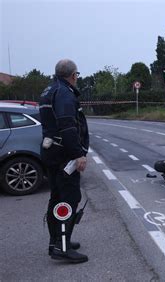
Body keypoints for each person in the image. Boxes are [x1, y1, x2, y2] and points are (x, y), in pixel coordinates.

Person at [39, 59, 89, 263]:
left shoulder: (49, 90)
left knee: (57, 197)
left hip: (51, 152)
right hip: (64, 155)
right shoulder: (65, 94)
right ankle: (62, 246)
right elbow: (68, 126)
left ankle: (57, 241)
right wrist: (78, 154)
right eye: (77, 74)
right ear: (73, 75)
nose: (77, 78)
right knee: (69, 198)